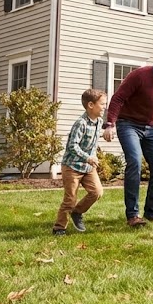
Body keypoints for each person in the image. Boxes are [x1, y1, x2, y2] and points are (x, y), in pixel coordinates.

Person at [102, 46, 153, 227]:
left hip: (151, 127)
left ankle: (151, 212)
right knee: (135, 162)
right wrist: (110, 124)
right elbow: (118, 99)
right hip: (128, 124)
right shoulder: (139, 75)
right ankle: (132, 215)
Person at [53, 88, 106, 236]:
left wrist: (94, 156)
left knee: (97, 192)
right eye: (102, 104)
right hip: (72, 167)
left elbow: (92, 143)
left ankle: (77, 212)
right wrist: (87, 157)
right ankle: (59, 228)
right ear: (91, 105)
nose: (104, 107)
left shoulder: (99, 122)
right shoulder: (80, 123)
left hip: (88, 167)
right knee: (70, 199)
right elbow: (72, 146)